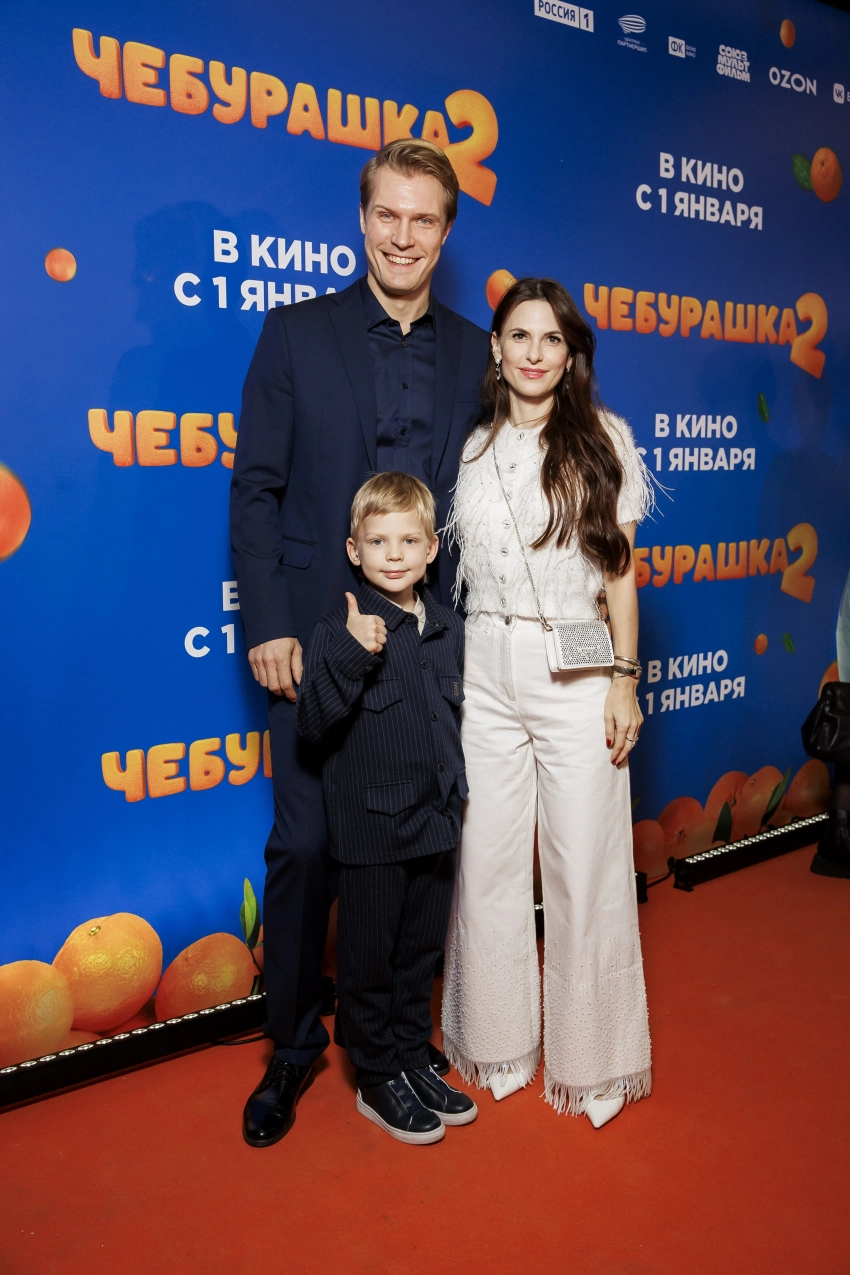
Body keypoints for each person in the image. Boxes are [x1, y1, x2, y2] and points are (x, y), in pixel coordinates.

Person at [230, 139, 490, 1147]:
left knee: (420, 850)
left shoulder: (475, 350)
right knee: (306, 846)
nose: (403, 235)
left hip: (426, 650)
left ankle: (397, 1041)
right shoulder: (295, 333)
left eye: (424, 219)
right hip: (313, 640)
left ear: (446, 232)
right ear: (362, 218)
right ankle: (295, 1046)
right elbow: (256, 487)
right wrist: (268, 622)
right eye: (389, 213)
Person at [441, 277, 653, 1129]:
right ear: (496, 348)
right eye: (520, 336)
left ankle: (593, 1060)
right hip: (484, 665)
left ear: (572, 357)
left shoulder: (605, 438)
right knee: (488, 861)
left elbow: (620, 573)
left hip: (576, 666)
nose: (534, 352)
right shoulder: (471, 447)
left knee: (585, 865)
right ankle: (498, 1043)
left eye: (552, 339)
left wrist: (625, 678)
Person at [295, 473, 477, 1143]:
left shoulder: (449, 627)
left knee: (419, 952)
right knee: (370, 960)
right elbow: (312, 723)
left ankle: (407, 1055)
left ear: (431, 548)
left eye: (407, 540)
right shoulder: (339, 628)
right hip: (372, 832)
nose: (393, 554)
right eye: (377, 541)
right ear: (354, 549)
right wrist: (351, 651)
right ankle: (375, 1074)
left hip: (436, 822)